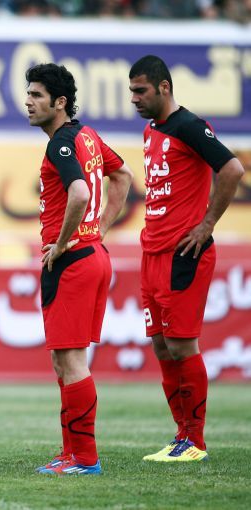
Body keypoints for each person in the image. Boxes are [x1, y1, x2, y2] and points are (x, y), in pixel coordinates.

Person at [129, 55, 244, 462]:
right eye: (131, 91)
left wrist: (207, 224)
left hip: (183, 253)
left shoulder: (190, 126)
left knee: (181, 344)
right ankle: (181, 436)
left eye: (141, 90)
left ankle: (195, 441)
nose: (134, 98)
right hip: (152, 253)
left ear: (164, 87)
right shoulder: (151, 130)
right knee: (161, 346)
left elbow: (232, 169)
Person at [25, 63, 133, 475]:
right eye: (28, 93)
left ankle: (85, 459)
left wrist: (62, 241)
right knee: (65, 360)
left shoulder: (61, 144)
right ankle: (71, 451)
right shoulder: (86, 135)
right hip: (92, 255)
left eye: (36, 95)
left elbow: (79, 192)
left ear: (60, 102)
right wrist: (98, 229)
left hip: (72, 260)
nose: (28, 102)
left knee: (71, 362)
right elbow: (122, 176)